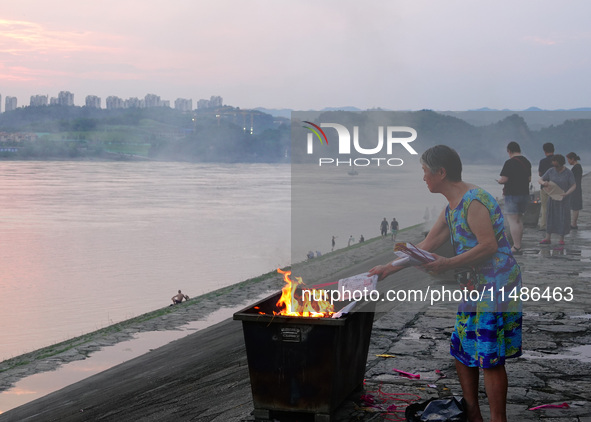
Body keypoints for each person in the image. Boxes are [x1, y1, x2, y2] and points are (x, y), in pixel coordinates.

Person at [369, 145, 522, 422]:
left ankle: (499, 419)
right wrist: (387, 269)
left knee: (489, 354)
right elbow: (426, 245)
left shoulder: (474, 201)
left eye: (425, 171)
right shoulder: (451, 207)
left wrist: (447, 264)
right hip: (473, 283)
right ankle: (473, 412)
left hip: (496, 283)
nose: (423, 177)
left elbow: (489, 246)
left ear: (441, 172)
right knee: (462, 348)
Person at [496, 141, 531, 255]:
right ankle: (518, 244)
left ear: (509, 151)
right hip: (525, 194)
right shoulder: (527, 162)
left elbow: (504, 179)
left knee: (513, 221)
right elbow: (529, 179)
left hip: (512, 195)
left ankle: (516, 246)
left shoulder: (509, 162)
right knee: (519, 220)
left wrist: (499, 181)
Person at [539, 154, 576, 246]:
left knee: (562, 217)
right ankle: (548, 238)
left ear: (561, 164)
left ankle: (561, 239)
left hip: (564, 199)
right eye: (553, 164)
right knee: (550, 216)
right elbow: (540, 179)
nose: (555, 167)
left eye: (557, 165)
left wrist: (567, 193)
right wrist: (544, 183)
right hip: (552, 198)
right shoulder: (551, 171)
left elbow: (573, 185)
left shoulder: (568, 172)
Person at [538, 143, 555, 230]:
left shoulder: (543, 161)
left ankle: (544, 225)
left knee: (544, 207)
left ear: (544, 151)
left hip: (544, 186)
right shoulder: (558, 160)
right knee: (556, 207)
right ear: (554, 150)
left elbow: (540, 173)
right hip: (556, 187)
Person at [566, 152, 583, 229]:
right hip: (577, 188)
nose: (568, 161)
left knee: (575, 207)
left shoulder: (577, 167)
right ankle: (573, 223)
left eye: (568, 160)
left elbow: (573, 179)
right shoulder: (577, 167)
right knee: (575, 206)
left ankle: (574, 223)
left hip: (575, 189)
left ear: (572, 159)